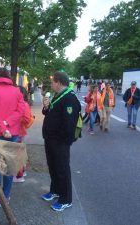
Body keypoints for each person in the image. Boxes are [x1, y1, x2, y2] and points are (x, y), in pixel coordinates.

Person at [0, 67, 25, 207]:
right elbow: (21, 111)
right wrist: (7, 124)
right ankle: (5, 196)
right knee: (9, 166)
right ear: (9, 77)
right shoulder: (17, 91)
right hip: (12, 132)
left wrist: (1, 126)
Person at [41, 71, 81, 212]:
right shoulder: (57, 96)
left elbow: (69, 124)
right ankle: (55, 190)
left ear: (58, 82)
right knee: (53, 167)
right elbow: (51, 113)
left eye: (52, 82)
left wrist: (63, 141)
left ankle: (66, 199)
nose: (51, 84)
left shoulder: (69, 98)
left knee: (62, 169)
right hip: (51, 139)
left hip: (60, 141)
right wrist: (46, 107)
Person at [13, 86, 34, 183]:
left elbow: (26, 119)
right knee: (19, 153)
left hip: (19, 131)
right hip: (19, 131)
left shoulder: (23, 104)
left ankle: (18, 176)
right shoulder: (23, 103)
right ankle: (21, 172)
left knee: (17, 154)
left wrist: (15, 119)